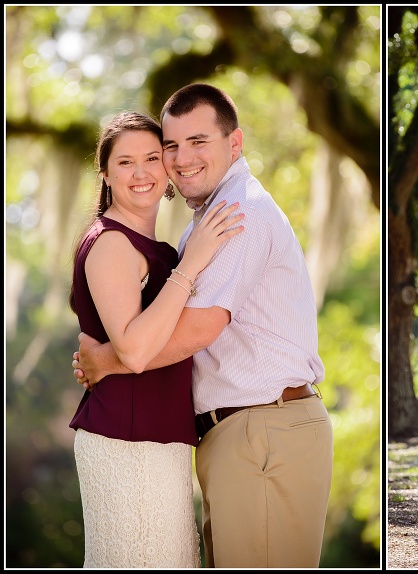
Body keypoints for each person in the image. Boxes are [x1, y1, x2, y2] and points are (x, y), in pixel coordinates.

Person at [71, 83, 334, 568]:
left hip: (261, 427)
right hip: (224, 433)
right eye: (172, 145)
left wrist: (105, 359)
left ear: (234, 143)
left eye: (198, 142)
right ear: (104, 173)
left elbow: (196, 330)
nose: (180, 158)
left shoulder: (238, 215)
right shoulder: (201, 224)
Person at [68, 110, 244, 567]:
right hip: (128, 446)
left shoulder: (156, 250)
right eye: (125, 162)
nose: (142, 172)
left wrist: (101, 361)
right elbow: (136, 350)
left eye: (153, 156)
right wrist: (195, 261)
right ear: (105, 173)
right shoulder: (110, 243)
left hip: (157, 444)